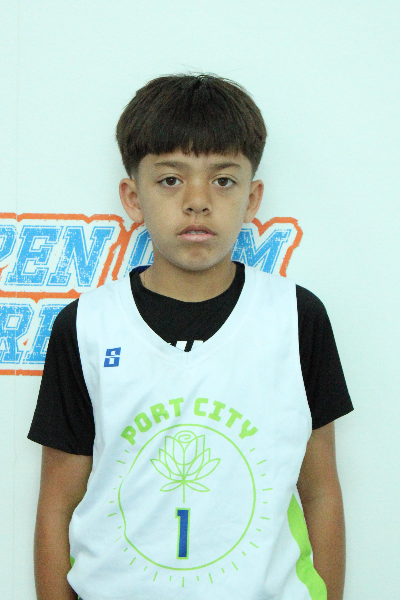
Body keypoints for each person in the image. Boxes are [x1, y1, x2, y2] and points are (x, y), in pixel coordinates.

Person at [28, 72, 354, 600]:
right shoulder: (85, 325)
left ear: (253, 198)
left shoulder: (297, 317)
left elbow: (320, 492)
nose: (198, 201)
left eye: (223, 181)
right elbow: (56, 505)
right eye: (170, 180)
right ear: (133, 197)